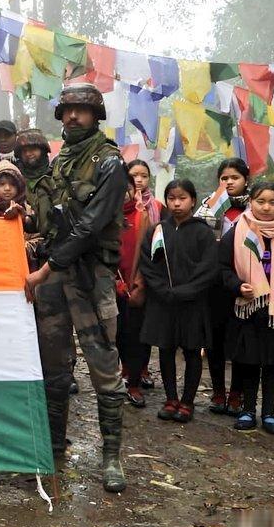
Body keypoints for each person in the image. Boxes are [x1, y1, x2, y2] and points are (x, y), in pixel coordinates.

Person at [24, 83, 128, 493]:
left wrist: (47, 266)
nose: (72, 117)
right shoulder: (62, 161)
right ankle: (53, 447)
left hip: (89, 277)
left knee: (104, 368)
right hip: (54, 278)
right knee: (54, 366)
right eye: (67, 110)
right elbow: (52, 223)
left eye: (81, 111)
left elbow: (90, 227)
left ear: (96, 115)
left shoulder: (109, 162)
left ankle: (112, 457)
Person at [219, 182, 274, 435]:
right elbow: (222, 267)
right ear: (251, 203)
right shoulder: (238, 231)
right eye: (261, 201)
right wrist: (238, 286)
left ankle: (269, 412)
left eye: (272, 202)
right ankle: (248, 410)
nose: (266, 207)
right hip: (249, 310)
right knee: (249, 362)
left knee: (271, 364)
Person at [137, 179, 217, 424]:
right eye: (172, 198)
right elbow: (147, 264)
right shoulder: (157, 230)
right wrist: (163, 290)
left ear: (192, 200)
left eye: (182, 198)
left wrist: (184, 291)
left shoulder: (203, 232)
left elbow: (209, 269)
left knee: (192, 351)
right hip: (163, 302)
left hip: (193, 303)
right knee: (165, 349)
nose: (176, 203)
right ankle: (170, 398)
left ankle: (188, 401)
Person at [195, 158, 251, 416]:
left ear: (245, 181)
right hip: (214, 285)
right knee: (215, 339)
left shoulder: (256, 207)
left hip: (246, 284)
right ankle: (218, 392)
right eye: (224, 178)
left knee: (240, 340)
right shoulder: (209, 207)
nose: (229, 182)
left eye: (234, 178)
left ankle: (237, 393)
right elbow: (195, 239)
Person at [125, 160, 164, 394]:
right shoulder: (117, 205)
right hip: (124, 270)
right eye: (134, 176)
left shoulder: (158, 206)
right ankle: (126, 369)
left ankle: (143, 369)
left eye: (144, 176)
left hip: (150, 268)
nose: (139, 180)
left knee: (144, 324)